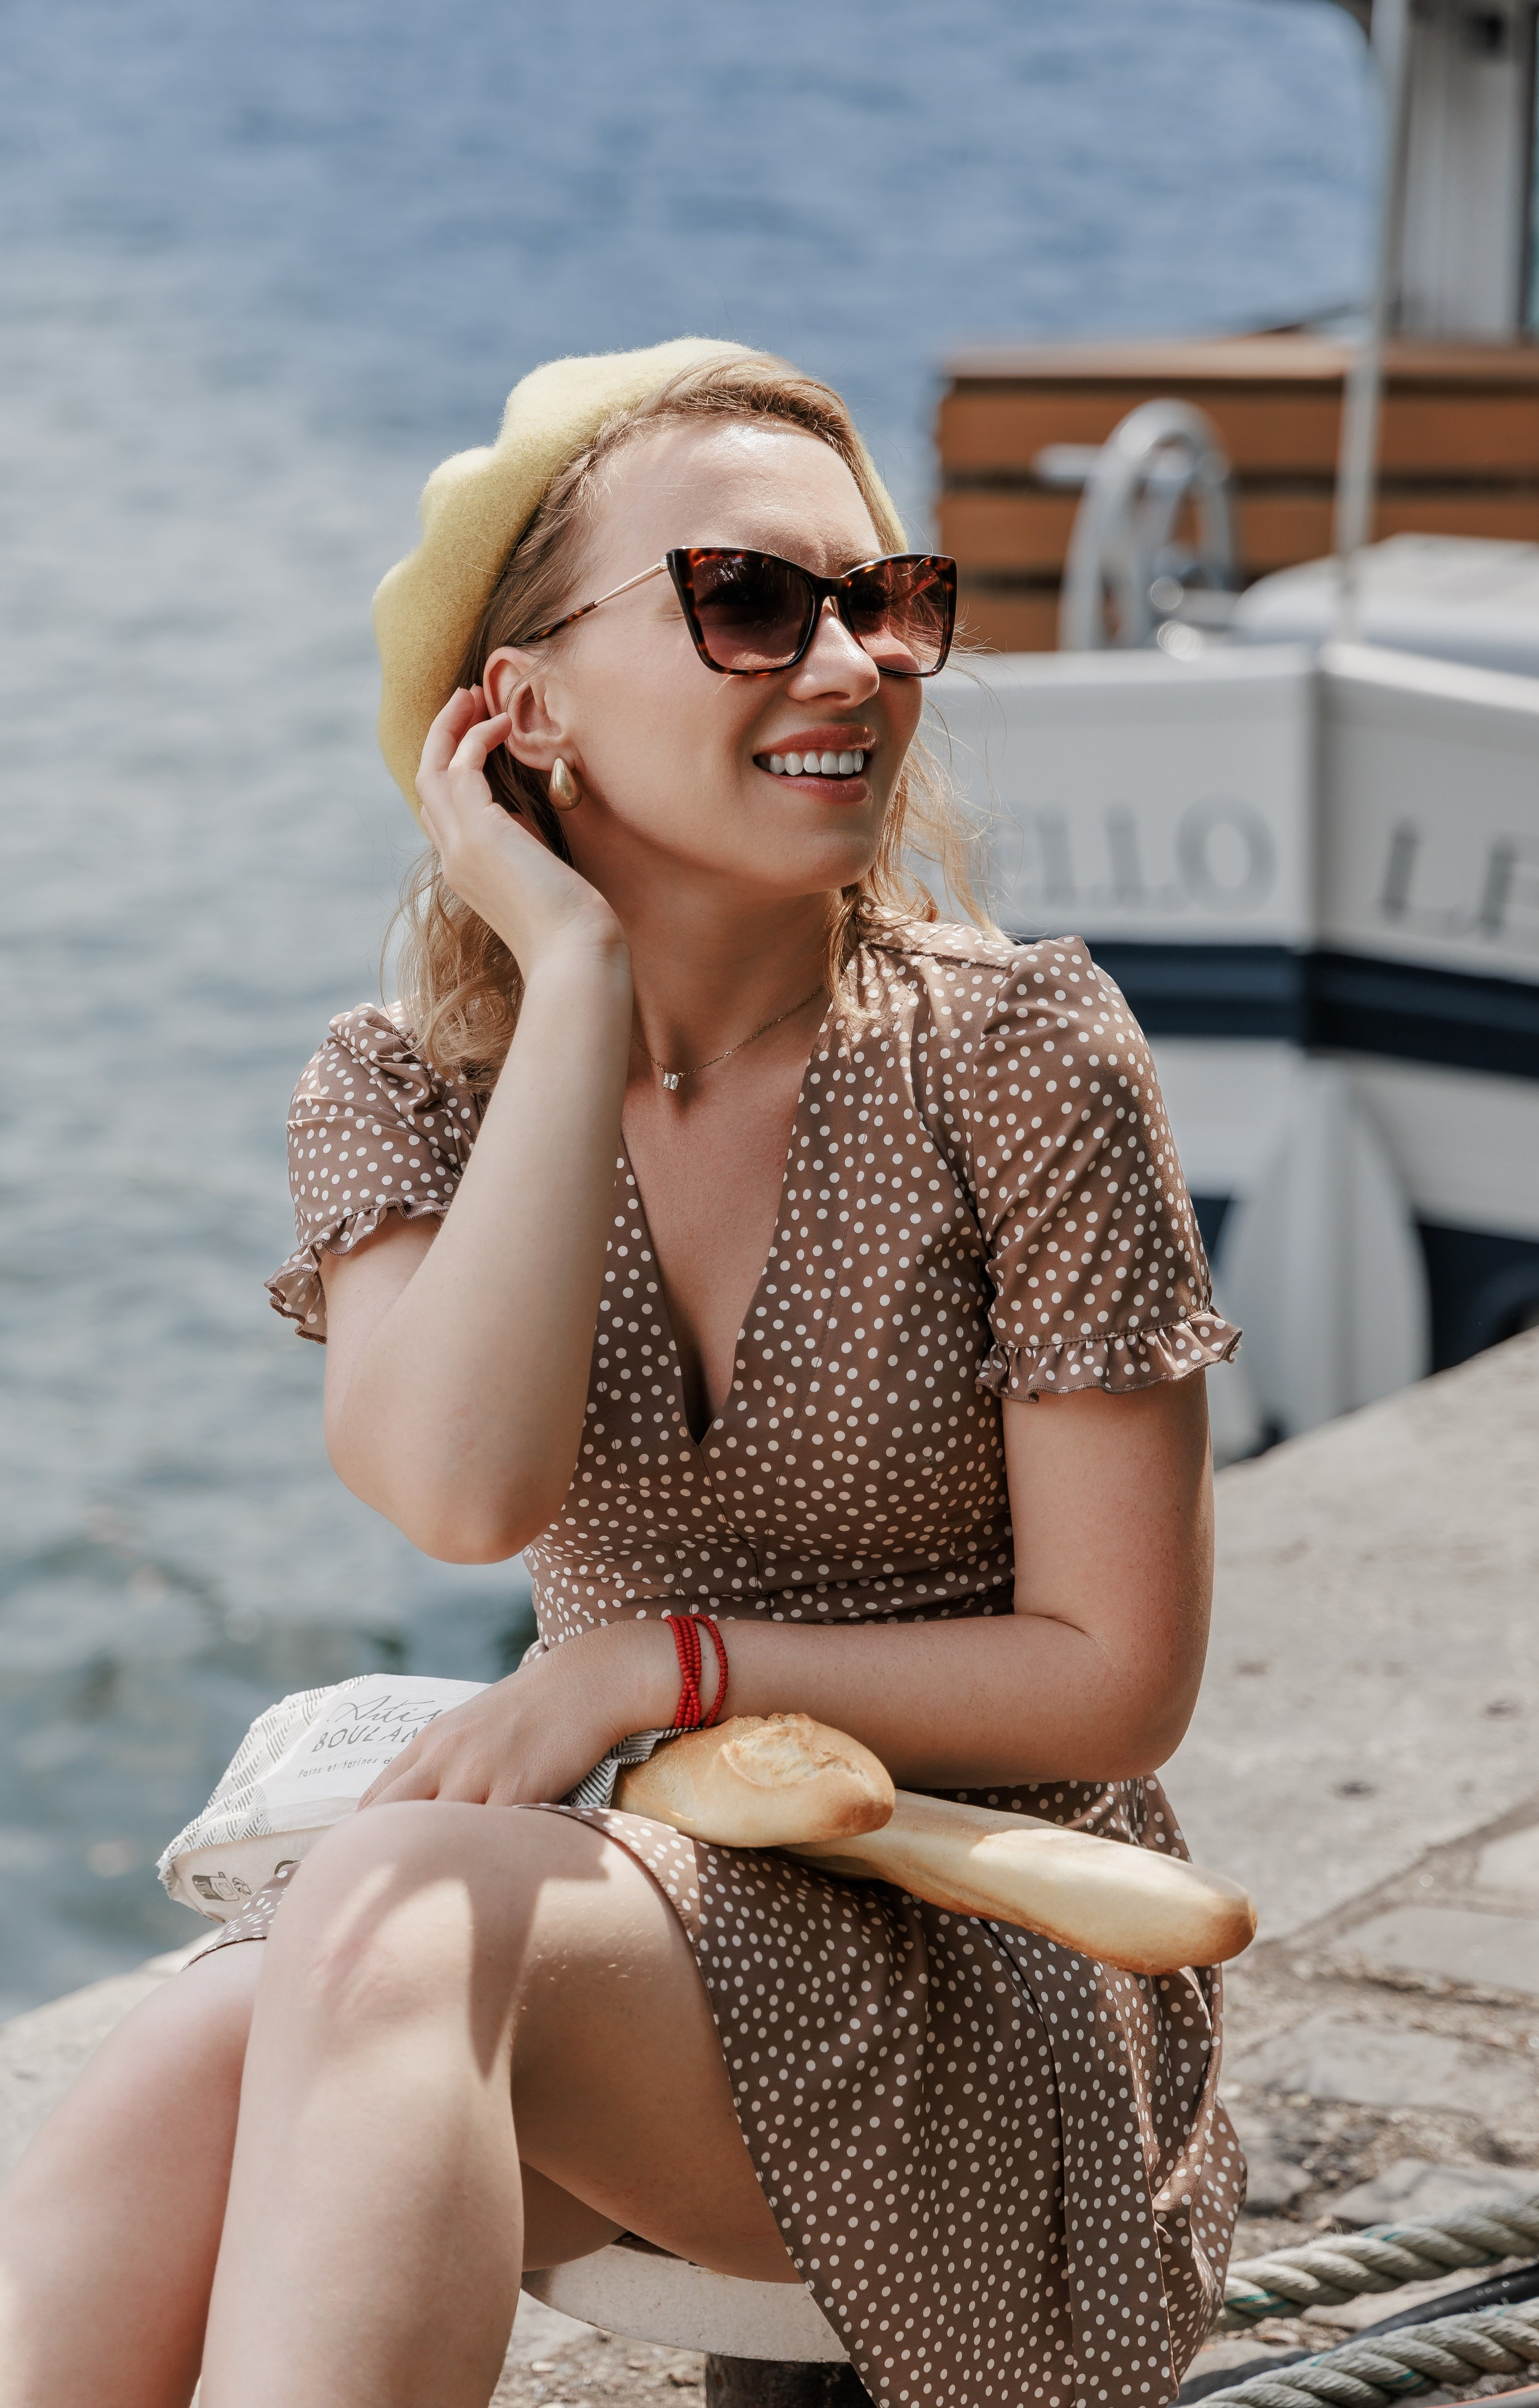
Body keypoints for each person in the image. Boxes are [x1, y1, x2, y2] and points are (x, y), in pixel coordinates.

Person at [0, 337, 1244, 2408]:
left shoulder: (1018, 1056)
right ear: (529, 709)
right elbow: (463, 1495)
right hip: (628, 1935)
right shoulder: (405, 1091)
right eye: (751, 600)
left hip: (994, 1959)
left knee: (390, 1912)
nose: (848, 660)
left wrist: (649, 1670)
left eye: (887, 601)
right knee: (186, 2063)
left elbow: (1116, 1675)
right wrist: (569, 976)